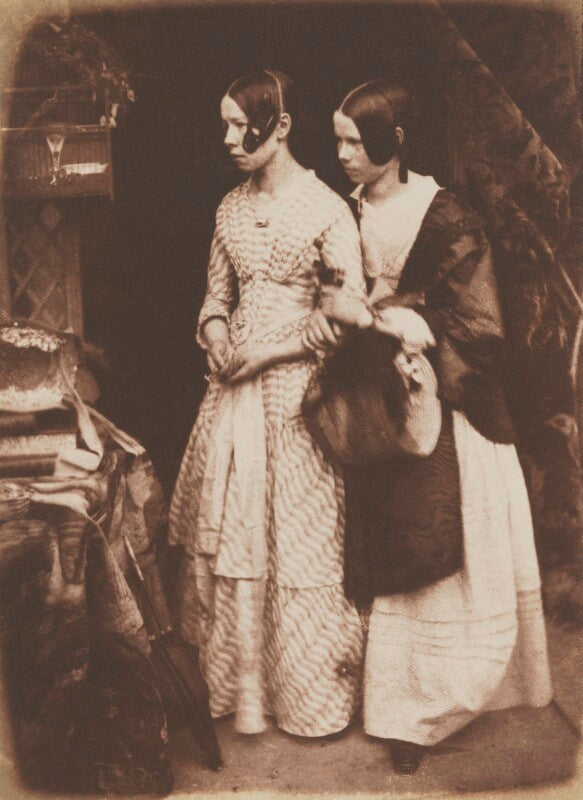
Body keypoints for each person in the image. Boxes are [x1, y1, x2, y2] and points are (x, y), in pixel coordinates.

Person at [302, 79, 552, 773]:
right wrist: (328, 320)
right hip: (375, 410)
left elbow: (480, 328)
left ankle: (434, 707)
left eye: (357, 141)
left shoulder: (445, 216)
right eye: (338, 140)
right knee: (388, 549)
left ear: (396, 140)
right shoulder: (343, 213)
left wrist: (377, 319)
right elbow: (333, 300)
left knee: (441, 555)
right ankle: (392, 709)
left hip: (444, 406)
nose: (343, 154)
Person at [168, 69, 368, 737]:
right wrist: (219, 336)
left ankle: (308, 701)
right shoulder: (229, 208)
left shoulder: (327, 210)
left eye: (239, 125)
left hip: (298, 399)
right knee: (234, 531)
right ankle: (238, 689)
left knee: (296, 545)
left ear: (280, 127)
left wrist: (270, 353)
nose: (228, 139)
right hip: (232, 397)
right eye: (223, 125)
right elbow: (215, 297)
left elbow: (343, 317)